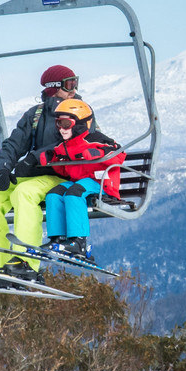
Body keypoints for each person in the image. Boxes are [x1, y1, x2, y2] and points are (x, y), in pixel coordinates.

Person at [0, 65, 87, 287]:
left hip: (61, 175)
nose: (74, 89)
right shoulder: (35, 114)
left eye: (75, 83)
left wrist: (35, 158)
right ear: (53, 87)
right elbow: (14, 143)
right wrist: (4, 168)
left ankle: (26, 262)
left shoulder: (79, 111)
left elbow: (75, 144)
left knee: (24, 194)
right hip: (32, 175)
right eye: (69, 84)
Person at [36, 98, 126, 259]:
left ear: (79, 124)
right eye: (58, 124)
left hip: (101, 183)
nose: (61, 129)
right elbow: (64, 170)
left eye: (65, 124)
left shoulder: (95, 139)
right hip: (79, 181)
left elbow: (119, 153)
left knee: (74, 193)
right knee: (54, 194)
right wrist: (52, 160)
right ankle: (57, 238)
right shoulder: (65, 145)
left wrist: (97, 154)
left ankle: (79, 242)